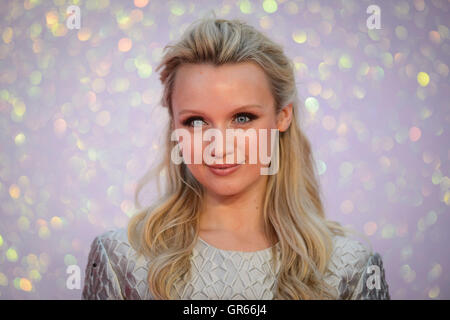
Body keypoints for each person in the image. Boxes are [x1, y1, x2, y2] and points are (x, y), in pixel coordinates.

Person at [82, 15, 390, 300]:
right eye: (196, 122)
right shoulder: (122, 258)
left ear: (282, 117)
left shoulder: (349, 267)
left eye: (242, 118)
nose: (220, 146)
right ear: (174, 125)